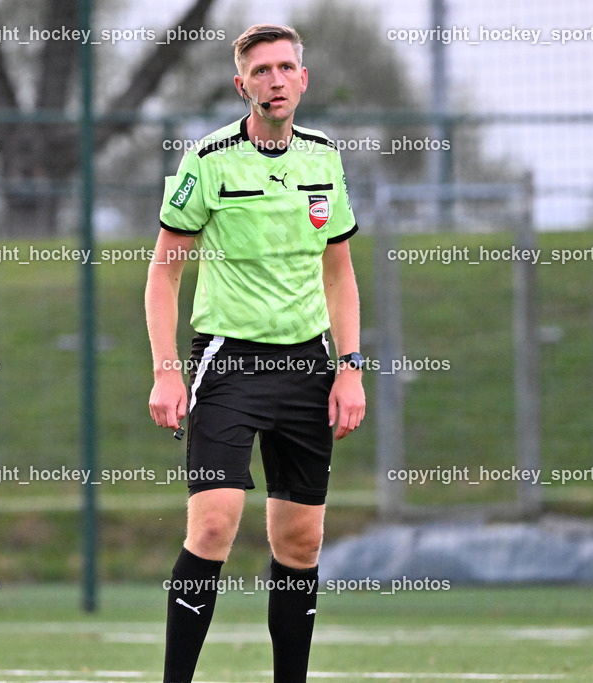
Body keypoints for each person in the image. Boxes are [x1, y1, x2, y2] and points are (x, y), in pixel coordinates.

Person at [145, 23, 366, 683]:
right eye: (260, 71)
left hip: (308, 364)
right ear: (241, 84)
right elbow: (163, 272)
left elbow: (340, 274)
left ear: (303, 79)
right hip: (228, 361)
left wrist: (350, 368)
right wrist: (165, 369)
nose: (274, 80)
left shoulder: (325, 158)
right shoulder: (207, 160)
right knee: (214, 522)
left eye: (284, 68)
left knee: (299, 542)